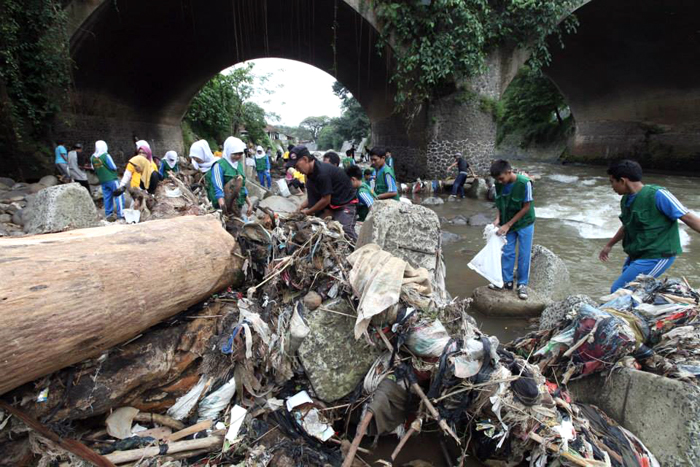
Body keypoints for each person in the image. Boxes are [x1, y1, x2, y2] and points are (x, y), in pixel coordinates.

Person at [600, 160, 700, 293]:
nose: (612, 186)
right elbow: (627, 226)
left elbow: (687, 217)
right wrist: (609, 245)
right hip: (638, 254)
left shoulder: (658, 194)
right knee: (631, 291)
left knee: (620, 290)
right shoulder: (626, 200)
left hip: (657, 255)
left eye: (612, 182)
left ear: (623, 181)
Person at [286, 146, 358, 241]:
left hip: (345, 203)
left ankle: (359, 250)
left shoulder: (322, 172)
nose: (297, 169)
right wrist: (301, 207)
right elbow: (313, 196)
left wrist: (307, 212)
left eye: (297, 166)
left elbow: (325, 199)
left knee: (346, 231)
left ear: (305, 159)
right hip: (331, 204)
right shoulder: (310, 175)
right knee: (316, 229)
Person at [489, 159, 535, 300]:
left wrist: (508, 225)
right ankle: (506, 281)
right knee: (507, 252)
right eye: (498, 179)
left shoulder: (524, 183)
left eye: (502, 178)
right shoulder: (498, 184)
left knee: (524, 254)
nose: (500, 181)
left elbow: (526, 207)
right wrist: (498, 218)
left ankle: (522, 285)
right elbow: (499, 202)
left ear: (509, 172)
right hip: (507, 221)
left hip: (524, 222)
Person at [209, 136, 253, 219]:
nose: (238, 156)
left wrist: (249, 203)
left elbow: (242, 187)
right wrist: (223, 208)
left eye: (240, 154)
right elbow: (218, 189)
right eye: (235, 154)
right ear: (228, 152)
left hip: (237, 206)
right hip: (224, 206)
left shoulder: (238, 165)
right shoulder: (219, 166)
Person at [90, 140, 123, 221]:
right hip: (112, 179)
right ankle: (120, 214)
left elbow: (93, 168)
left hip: (103, 180)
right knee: (118, 196)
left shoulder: (92, 157)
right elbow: (113, 167)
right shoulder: (106, 155)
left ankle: (109, 215)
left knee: (107, 197)